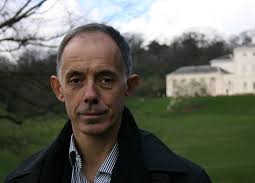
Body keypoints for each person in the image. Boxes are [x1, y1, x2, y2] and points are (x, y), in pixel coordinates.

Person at [5, 23, 212, 183]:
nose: (90, 95)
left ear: (129, 87)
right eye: (76, 80)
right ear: (59, 89)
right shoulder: (23, 180)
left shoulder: (187, 179)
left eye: (106, 80)